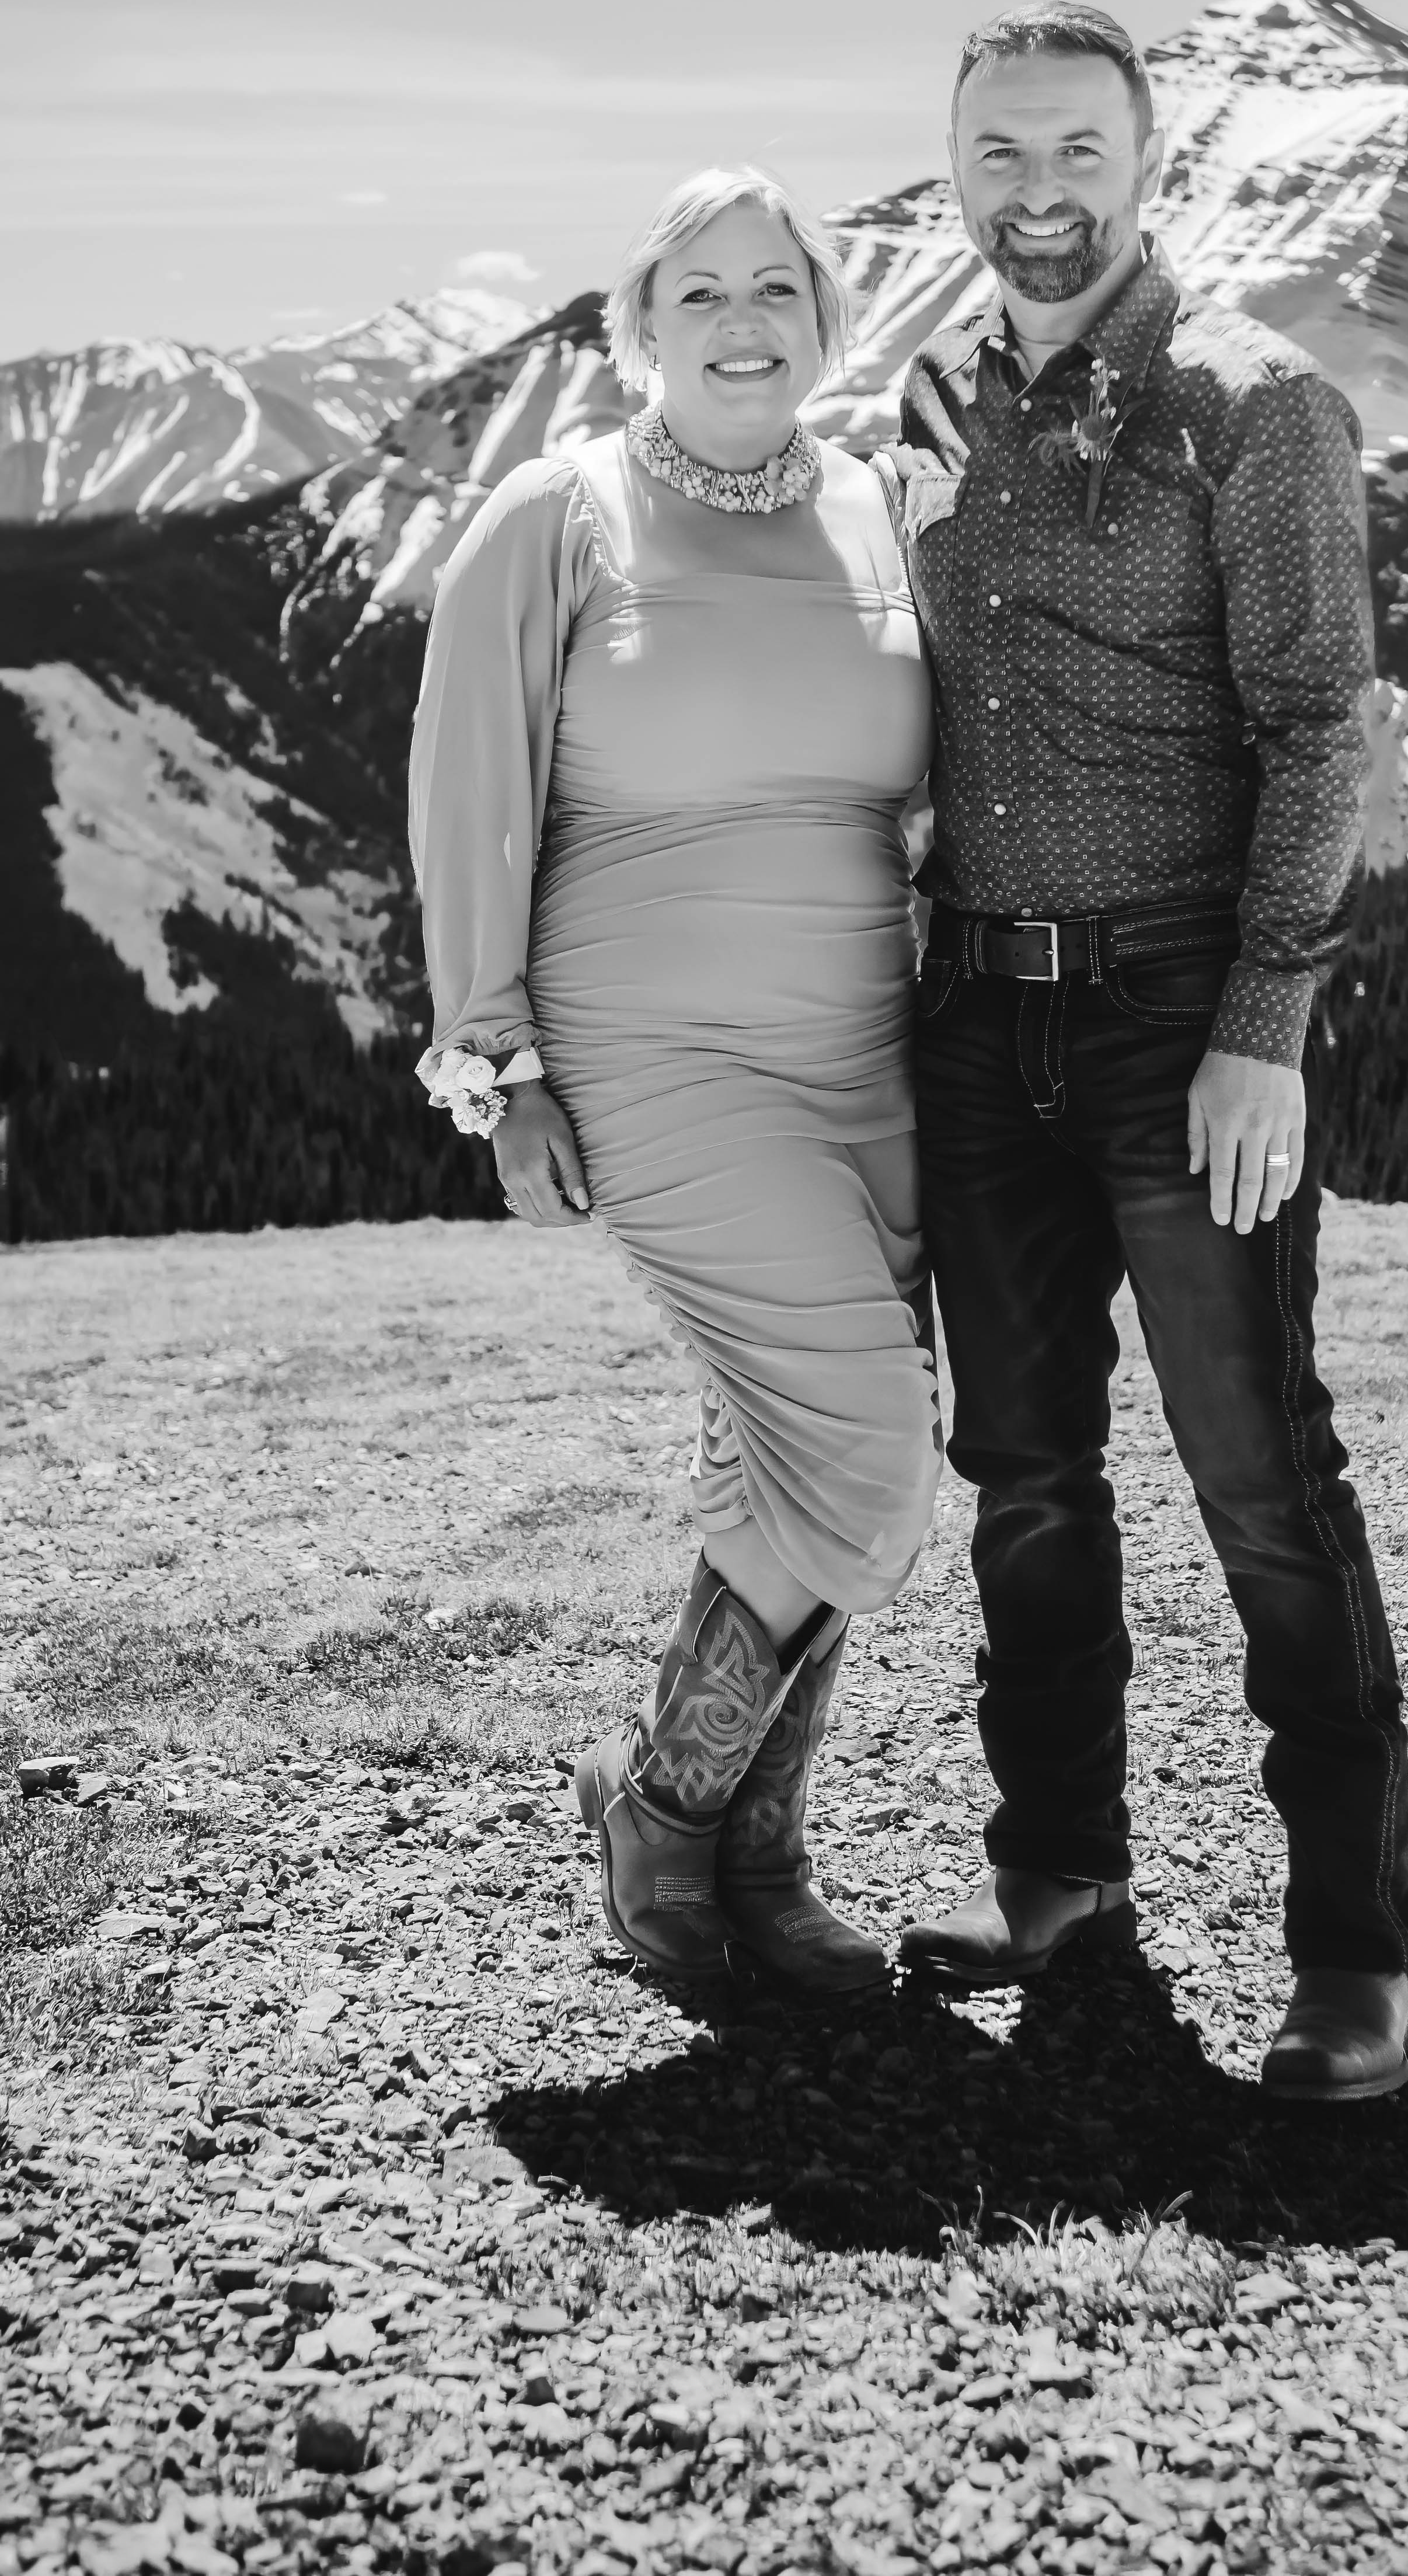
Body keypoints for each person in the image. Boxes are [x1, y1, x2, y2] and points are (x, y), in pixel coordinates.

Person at [890, 2, 1408, 2098]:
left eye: (1077, 153)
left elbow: (1320, 729)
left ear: (1145, 162)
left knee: (1261, 1480)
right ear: (956, 168)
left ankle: (1354, 1961)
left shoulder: (1254, 405)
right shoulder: (929, 396)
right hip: (972, 1016)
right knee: (1023, 1478)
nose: (1039, 196)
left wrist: (1261, 1031)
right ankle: (1060, 1882)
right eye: (999, 155)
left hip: (1178, 1017)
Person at [409, 168, 940, 2001]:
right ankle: (662, 1803)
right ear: (639, 325)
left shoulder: (879, 509)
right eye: (699, 291)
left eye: (776, 288)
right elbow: (468, 797)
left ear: (828, 318)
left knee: (780, 1451)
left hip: (870, 1051)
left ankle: (758, 1866)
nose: (741, 322)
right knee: (869, 1443)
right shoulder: (556, 516)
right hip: (661, 1048)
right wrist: (500, 1065)